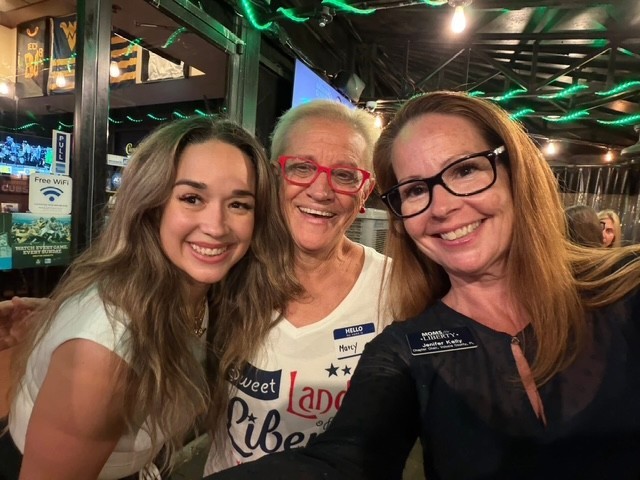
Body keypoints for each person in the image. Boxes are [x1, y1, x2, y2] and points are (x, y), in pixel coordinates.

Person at [205, 91, 640, 480]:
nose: (443, 206)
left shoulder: (627, 287)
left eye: (465, 170)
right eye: (415, 190)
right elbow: (349, 457)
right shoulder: (405, 343)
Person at [0, 116, 299, 479]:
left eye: (239, 204)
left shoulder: (197, 292)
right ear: (151, 205)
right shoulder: (104, 356)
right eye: (192, 198)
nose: (216, 226)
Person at [203, 99, 391, 474]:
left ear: (365, 191)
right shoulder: (229, 269)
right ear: (275, 177)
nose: (321, 191)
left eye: (345, 175)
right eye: (302, 167)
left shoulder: (394, 289)